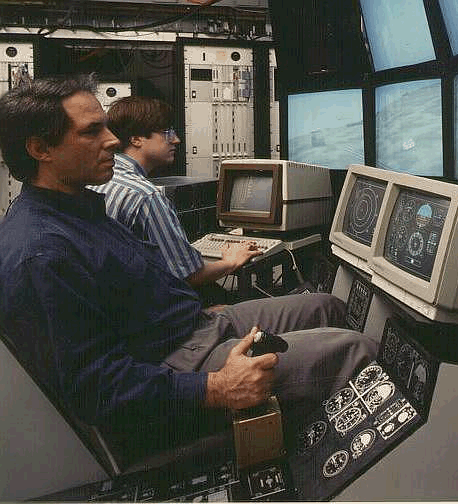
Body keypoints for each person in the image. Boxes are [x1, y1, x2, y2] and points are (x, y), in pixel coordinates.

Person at [0, 74, 379, 461]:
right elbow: (96, 390)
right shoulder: (41, 254)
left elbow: (138, 283)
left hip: (193, 325)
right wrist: (217, 387)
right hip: (176, 364)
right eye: (91, 131)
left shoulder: (78, 208)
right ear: (40, 149)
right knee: (356, 351)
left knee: (326, 306)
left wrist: (192, 307)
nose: (113, 140)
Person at [89, 95, 258, 306]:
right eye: (167, 132)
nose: (176, 140)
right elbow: (188, 275)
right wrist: (231, 261)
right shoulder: (145, 196)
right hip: (149, 309)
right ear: (136, 139)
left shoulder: (97, 181)